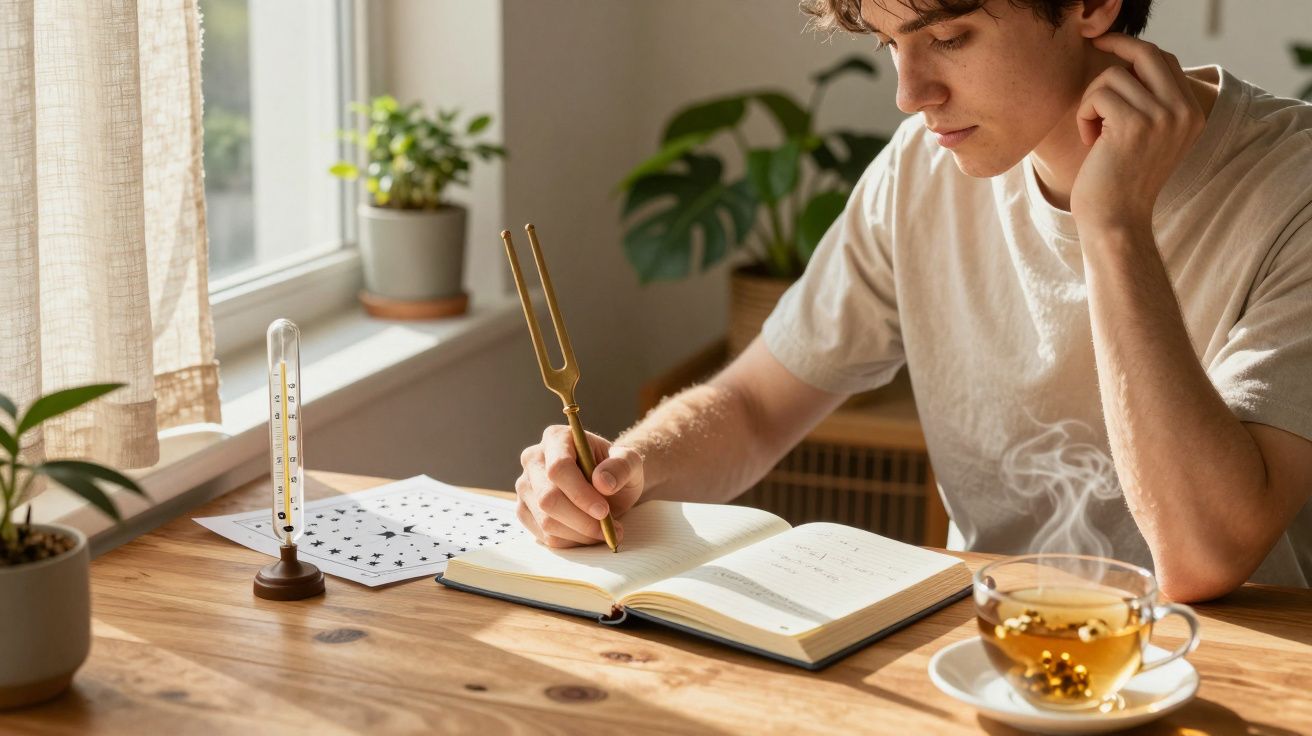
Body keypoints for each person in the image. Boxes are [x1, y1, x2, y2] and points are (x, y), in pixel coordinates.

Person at [513, 0, 1312, 602]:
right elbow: (756, 406)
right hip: (991, 654)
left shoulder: (1294, 187)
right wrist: (624, 471)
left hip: (1239, 676)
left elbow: (1202, 559)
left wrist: (1113, 228)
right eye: (889, 43)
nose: (907, 93)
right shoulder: (920, 171)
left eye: (948, 37)